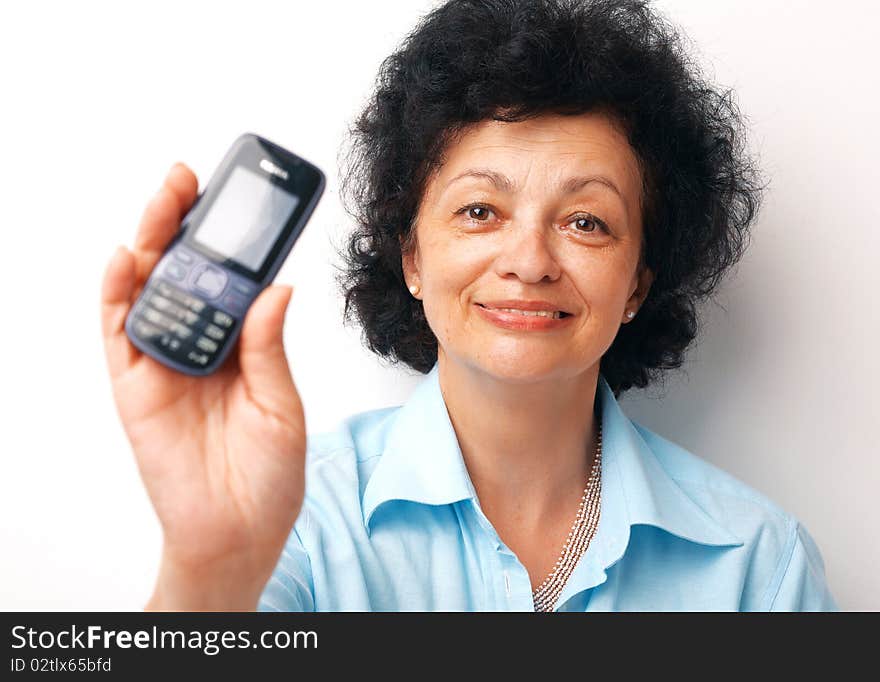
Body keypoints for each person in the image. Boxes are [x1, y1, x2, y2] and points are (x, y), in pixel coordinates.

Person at [100, 0, 837, 611]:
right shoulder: (297, 521)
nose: (528, 262)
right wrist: (210, 564)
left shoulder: (758, 568)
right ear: (413, 257)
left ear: (638, 284)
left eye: (586, 222)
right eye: (480, 210)